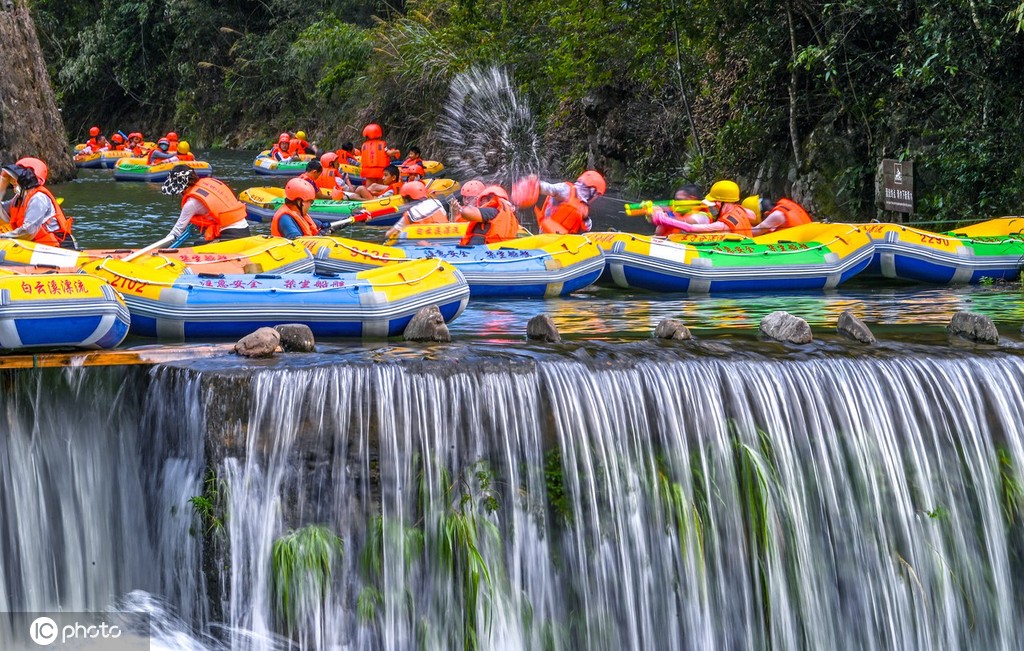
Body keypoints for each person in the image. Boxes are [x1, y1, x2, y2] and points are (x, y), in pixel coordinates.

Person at [160, 165, 250, 243]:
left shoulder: (191, 204)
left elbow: (176, 232)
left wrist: (159, 248)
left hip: (231, 235)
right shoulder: (208, 183)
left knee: (197, 245)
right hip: (245, 229)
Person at [0, 157, 75, 248]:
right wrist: (2, 184)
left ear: (29, 178)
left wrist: (3, 236)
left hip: (59, 247)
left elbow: (29, 231)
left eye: (17, 178)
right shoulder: (19, 199)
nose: (13, 182)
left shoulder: (38, 198)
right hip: (36, 247)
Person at [651, 180, 754, 236]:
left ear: (720, 202)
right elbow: (753, 215)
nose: (713, 207)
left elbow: (689, 228)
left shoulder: (722, 225)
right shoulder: (740, 210)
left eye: (714, 203)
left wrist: (662, 219)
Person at [522, 170, 606, 234]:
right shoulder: (566, 190)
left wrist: (585, 218)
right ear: (592, 190)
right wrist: (536, 184)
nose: (596, 198)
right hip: (547, 235)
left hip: (563, 241)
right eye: (597, 194)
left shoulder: (583, 205)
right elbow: (550, 189)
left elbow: (587, 228)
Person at [450, 184, 519, 245]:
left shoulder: (491, 211)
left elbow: (467, 212)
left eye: (483, 199)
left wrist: (463, 209)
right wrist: (454, 214)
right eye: (464, 198)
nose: (466, 201)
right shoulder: (509, 216)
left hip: (480, 250)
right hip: (492, 249)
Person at [749, 196, 813, 236]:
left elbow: (752, 232)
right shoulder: (785, 205)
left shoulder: (777, 215)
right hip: (808, 236)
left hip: (802, 244)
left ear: (765, 214)